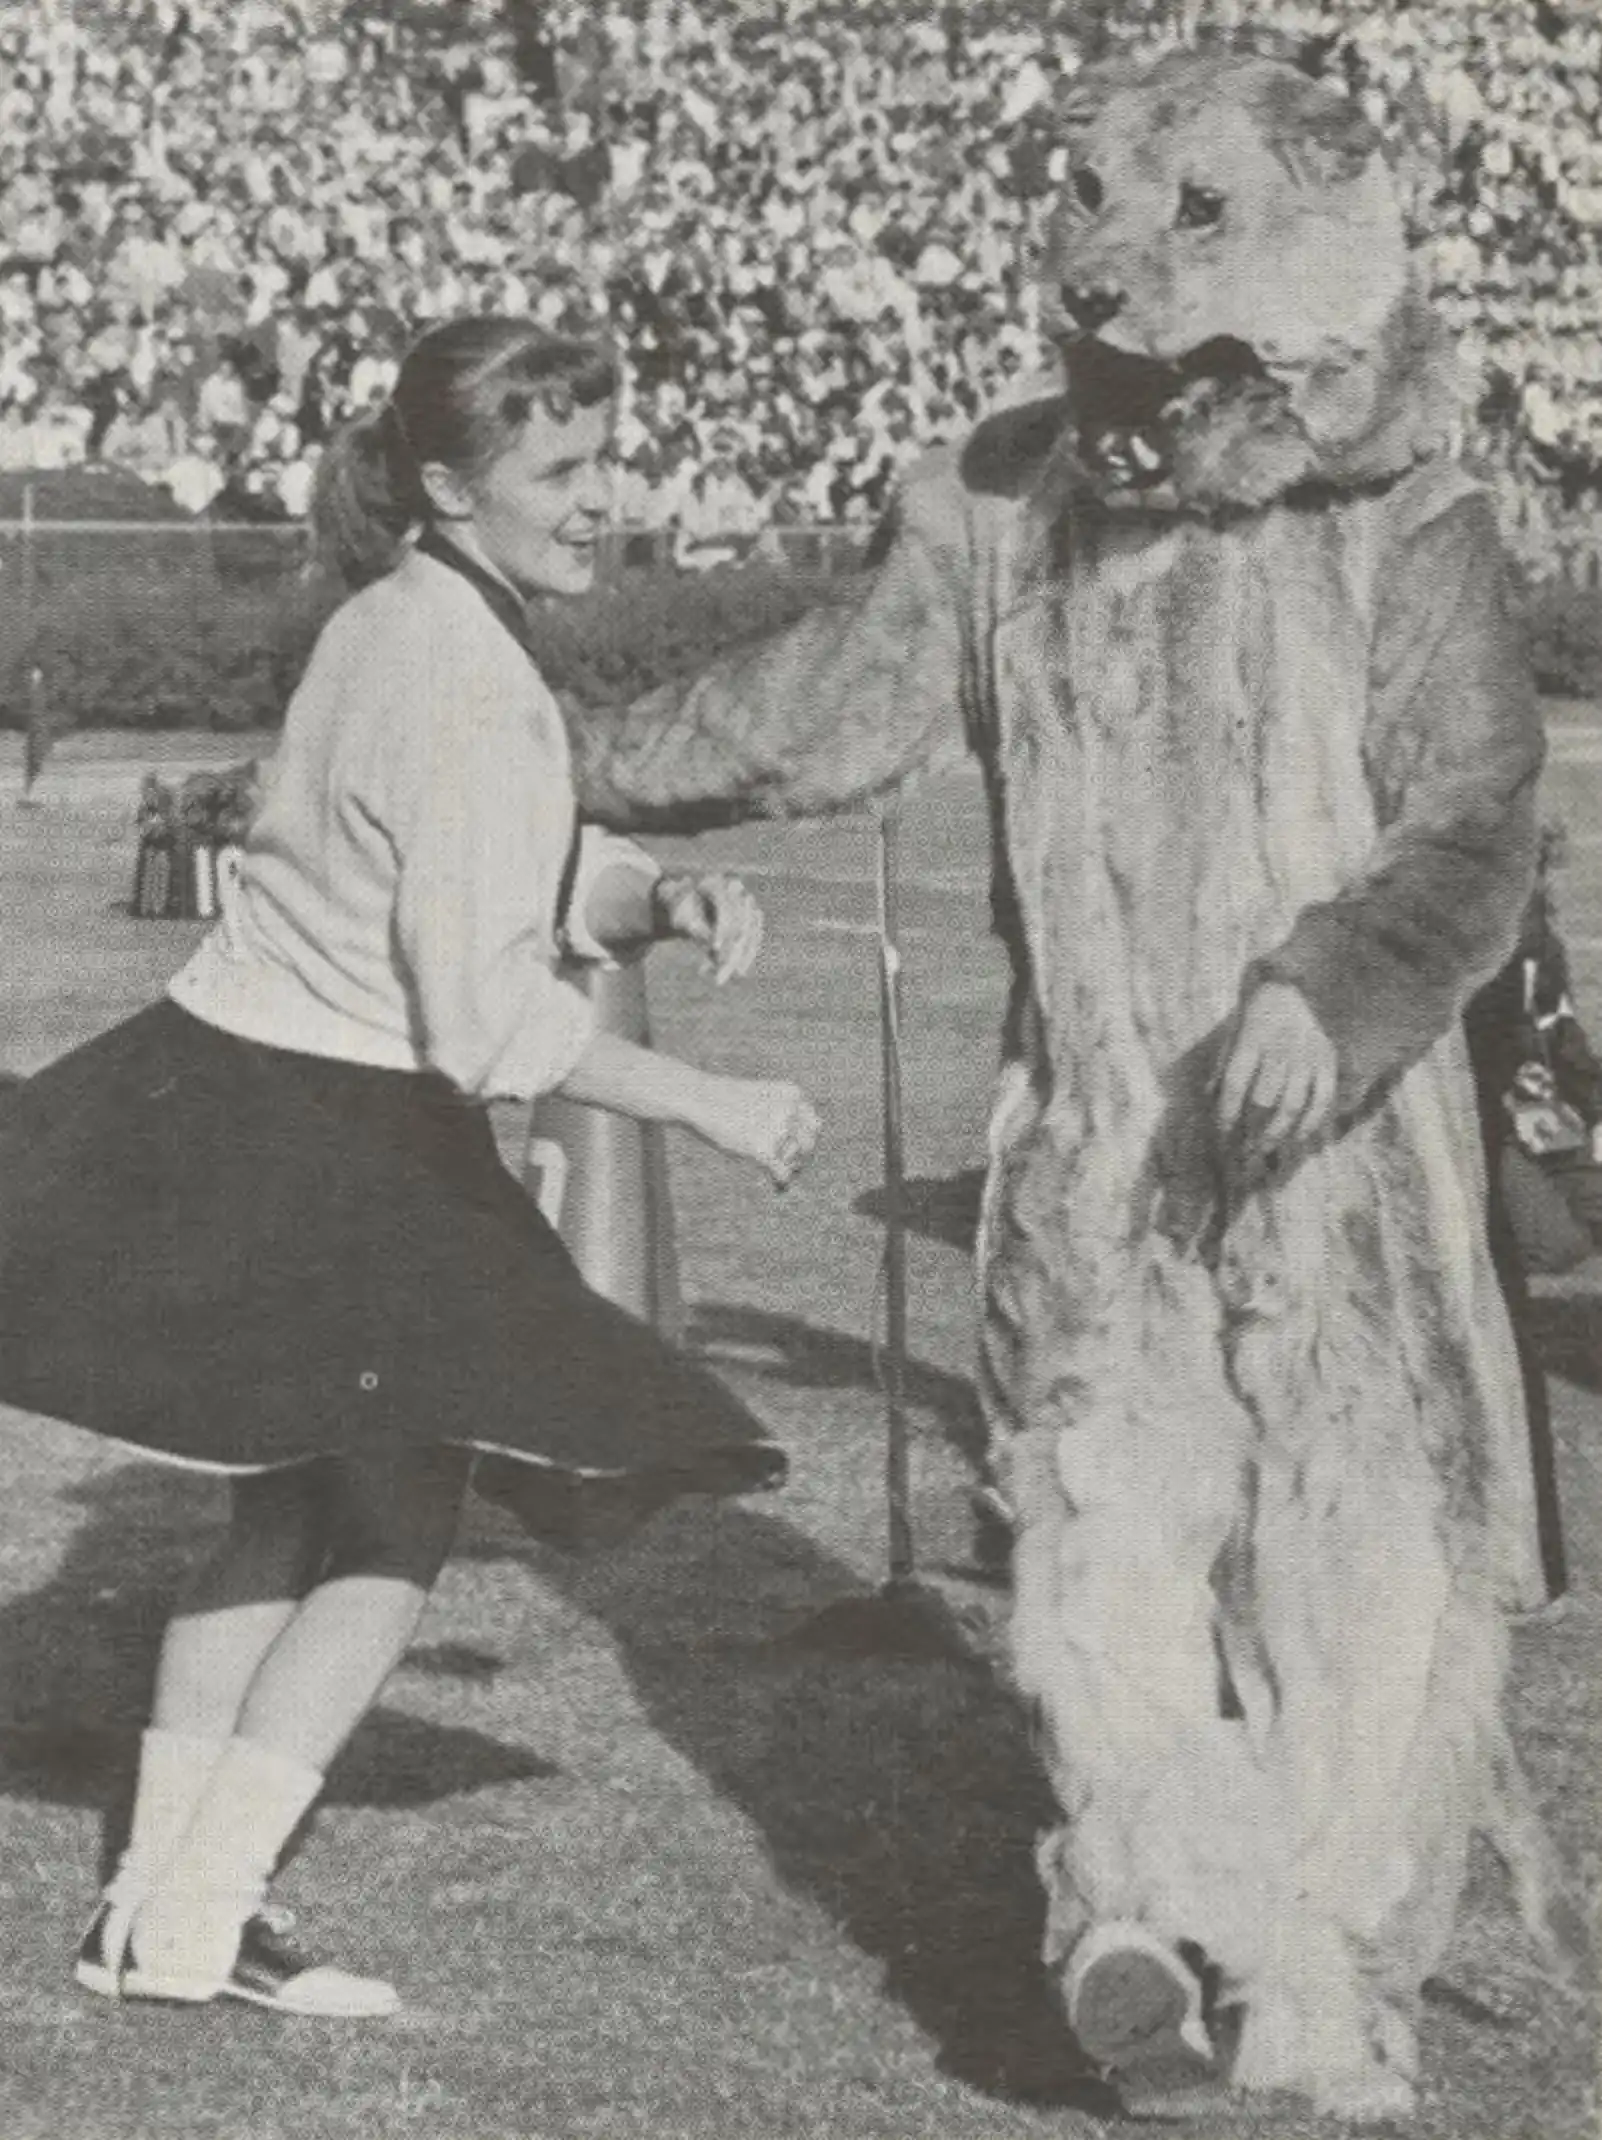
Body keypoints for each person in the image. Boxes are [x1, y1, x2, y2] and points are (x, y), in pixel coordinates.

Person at [0, 316, 820, 2021]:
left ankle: (155, 1916)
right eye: (564, 473)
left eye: (607, 460)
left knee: (285, 1504)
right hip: (343, 1123)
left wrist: (653, 892)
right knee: (389, 1524)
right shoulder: (468, 676)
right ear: (452, 485)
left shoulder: (393, 623)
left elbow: (486, 861)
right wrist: (706, 1099)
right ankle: (203, 1912)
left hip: (232, 1087)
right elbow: (474, 1014)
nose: (606, 500)